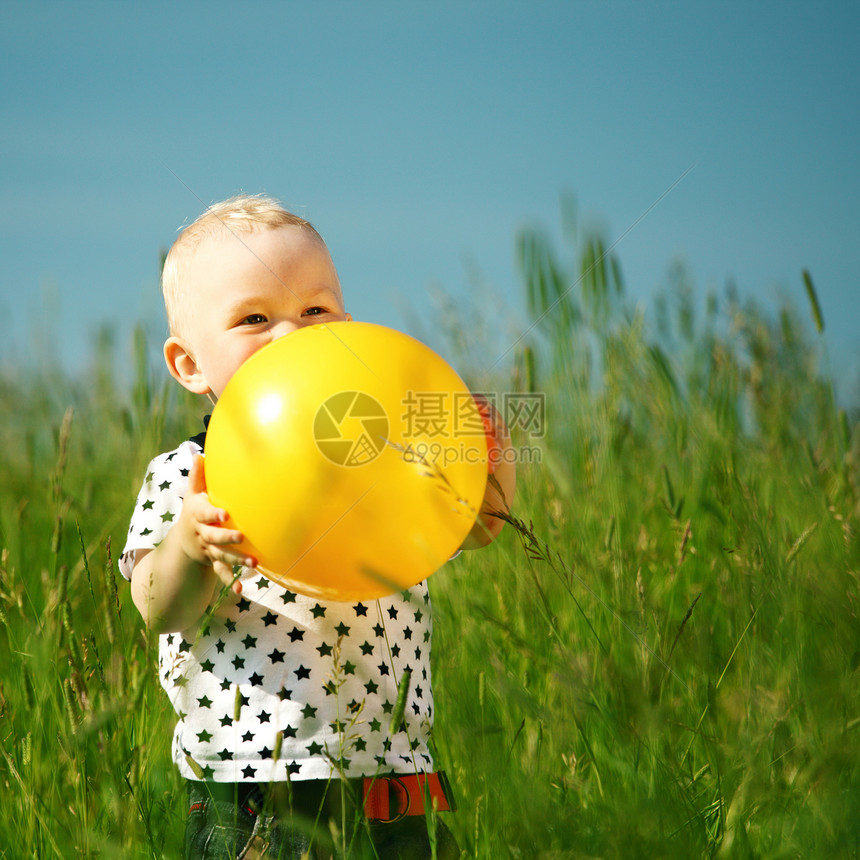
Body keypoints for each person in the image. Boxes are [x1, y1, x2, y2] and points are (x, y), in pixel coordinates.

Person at [120, 194, 516, 859]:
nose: (291, 334)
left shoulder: (387, 451)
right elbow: (159, 606)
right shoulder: (191, 473)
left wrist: (487, 465)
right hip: (257, 794)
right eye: (253, 317)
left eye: (315, 310)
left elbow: (477, 528)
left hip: (395, 781)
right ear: (189, 364)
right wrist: (189, 544)